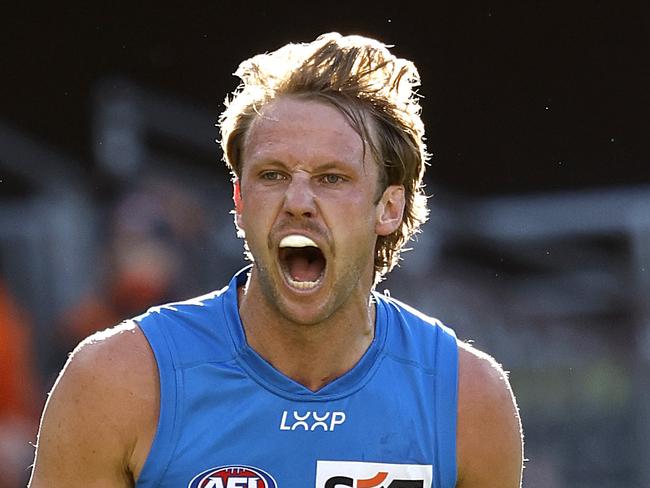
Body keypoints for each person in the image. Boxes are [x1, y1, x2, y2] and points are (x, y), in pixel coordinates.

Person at [29, 32, 523, 487]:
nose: (298, 201)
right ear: (240, 202)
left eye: (332, 178)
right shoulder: (118, 380)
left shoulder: (467, 398)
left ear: (389, 208)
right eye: (272, 175)